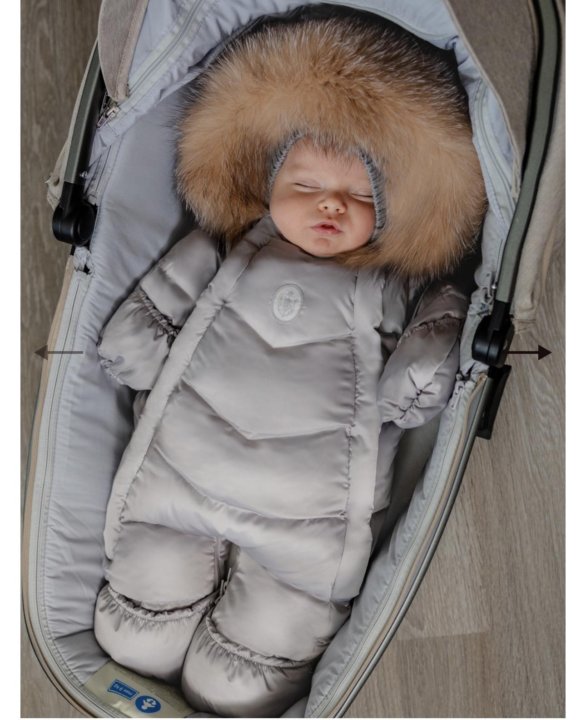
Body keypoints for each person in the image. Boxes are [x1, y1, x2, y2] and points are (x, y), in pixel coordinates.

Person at [93, 15, 486, 718]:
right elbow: (167, 296)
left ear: (395, 214)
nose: (331, 204)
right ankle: (150, 614)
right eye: (305, 184)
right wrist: (140, 336)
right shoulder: (230, 245)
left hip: (308, 505)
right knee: (143, 608)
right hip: (186, 464)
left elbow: (433, 338)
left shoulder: (392, 281)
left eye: (361, 197)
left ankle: (250, 663)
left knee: (257, 652)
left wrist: (422, 371)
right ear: (267, 179)